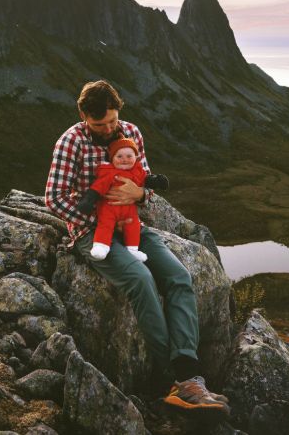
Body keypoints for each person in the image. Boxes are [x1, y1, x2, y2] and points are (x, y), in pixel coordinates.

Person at [45, 79, 229, 413]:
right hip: (92, 233)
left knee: (179, 278)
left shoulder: (131, 132)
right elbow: (53, 199)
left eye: (113, 120)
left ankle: (189, 372)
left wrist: (141, 194)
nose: (109, 128)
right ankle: (175, 380)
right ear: (84, 116)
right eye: (100, 124)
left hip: (132, 226)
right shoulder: (71, 141)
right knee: (141, 281)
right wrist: (96, 214)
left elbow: (146, 183)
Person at [76, 135, 169, 263]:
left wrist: (156, 181)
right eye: (119, 156)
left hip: (129, 210)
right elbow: (98, 187)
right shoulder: (108, 173)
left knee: (133, 225)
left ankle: (132, 250)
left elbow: (146, 179)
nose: (124, 159)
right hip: (109, 208)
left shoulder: (137, 171)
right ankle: (101, 247)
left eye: (129, 156)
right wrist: (88, 200)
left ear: (135, 158)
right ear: (112, 159)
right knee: (105, 225)